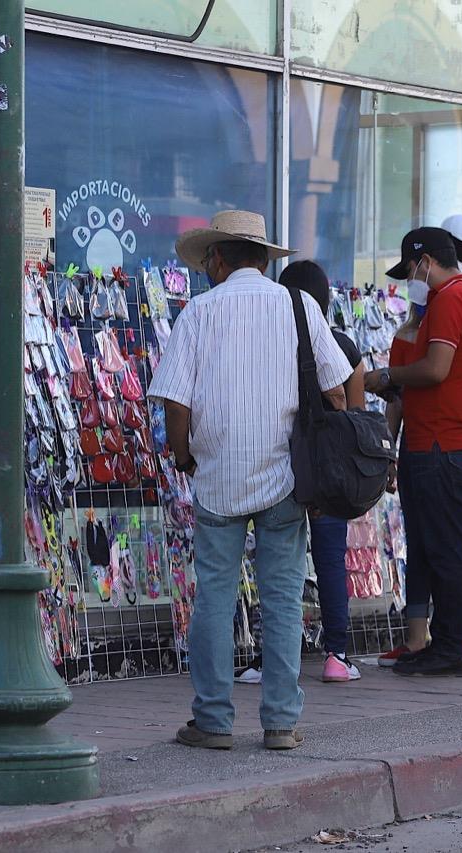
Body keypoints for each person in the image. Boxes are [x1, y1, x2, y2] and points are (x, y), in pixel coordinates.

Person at [149, 210, 352, 750]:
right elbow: (339, 387)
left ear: (217, 259)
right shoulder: (298, 305)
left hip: (216, 477)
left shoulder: (197, 312)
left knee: (214, 596)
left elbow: (175, 400)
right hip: (284, 477)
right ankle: (281, 722)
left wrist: (184, 456)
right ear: (263, 258)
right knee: (282, 598)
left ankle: (213, 721)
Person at [365, 227, 462, 677]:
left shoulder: (453, 298)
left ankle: (453, 647)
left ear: (425, 262)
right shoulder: (459, 298)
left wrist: (386, 377)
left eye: (411, 270)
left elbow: (437, 370)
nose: (409, 280)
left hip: (443, 444)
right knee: (439, 548)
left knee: (450, 550)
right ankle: (444, 643)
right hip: (439, 442)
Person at [277, 260, 366, 683]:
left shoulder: (275, 346)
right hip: (329, 472)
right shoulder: (344, 347)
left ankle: (274, 656)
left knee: (279, 563)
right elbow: (358, 416)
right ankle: (338, 654)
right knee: (331, 560)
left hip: (283, 468)